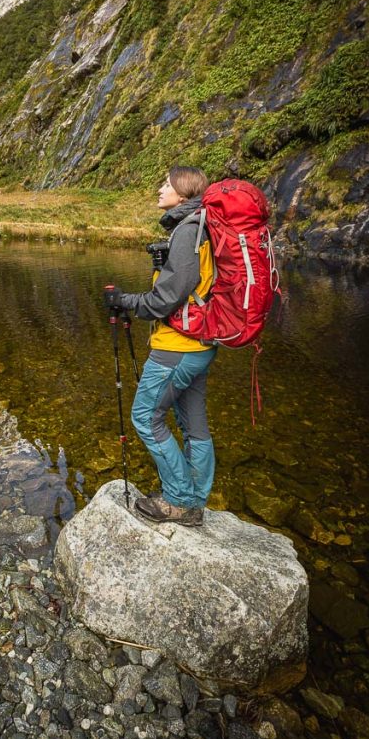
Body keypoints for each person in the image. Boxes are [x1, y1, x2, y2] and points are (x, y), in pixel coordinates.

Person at [103, 166, 215, 527]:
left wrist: (127, 301)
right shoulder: (204, 225)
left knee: (146, 418)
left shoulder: (188, 230)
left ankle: (180, 502)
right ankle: (195, 497)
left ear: (182, 194)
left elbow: (166, 298)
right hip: (201, 344)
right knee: (193, 424)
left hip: (177, 347)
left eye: (166, 184)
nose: (159, 188)